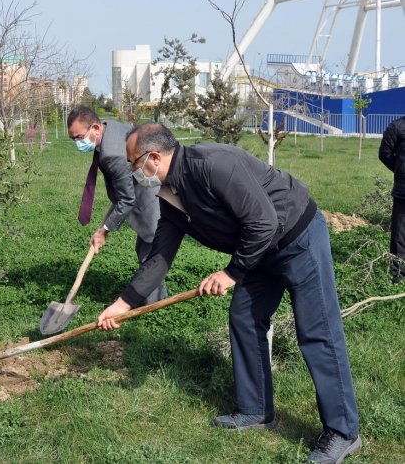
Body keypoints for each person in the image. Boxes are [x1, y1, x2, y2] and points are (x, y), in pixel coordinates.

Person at [97, 123, 361, 463]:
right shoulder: (170, 196)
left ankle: (342, 431)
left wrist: (231, 272)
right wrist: (123, 303)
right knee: (244, 318)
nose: (133, 171)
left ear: (154, 156)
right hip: (258, 250)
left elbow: (263, 220)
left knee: (317, 331)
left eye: (134, 163)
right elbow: (159, 257)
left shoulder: (214, 163)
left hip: (297, 237)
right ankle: (256, 409)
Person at [67, 106, 166, 304]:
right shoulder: (109, 127)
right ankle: (157, 299)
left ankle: (154, 308)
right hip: (145, 187)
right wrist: (104, 228)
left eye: (79, 137)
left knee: (150, 256)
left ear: (95, 127)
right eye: (73, 139)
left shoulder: (111, 155)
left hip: (150, 197)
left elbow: (127, 199)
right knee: (146, 251)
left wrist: (104, 231)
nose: (78, 143)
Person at [378, 116, 405, 283]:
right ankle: (399, 274)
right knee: (400, 234)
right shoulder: (397, 126)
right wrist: (400, 170)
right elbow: (385, 153)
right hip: (403, 191)